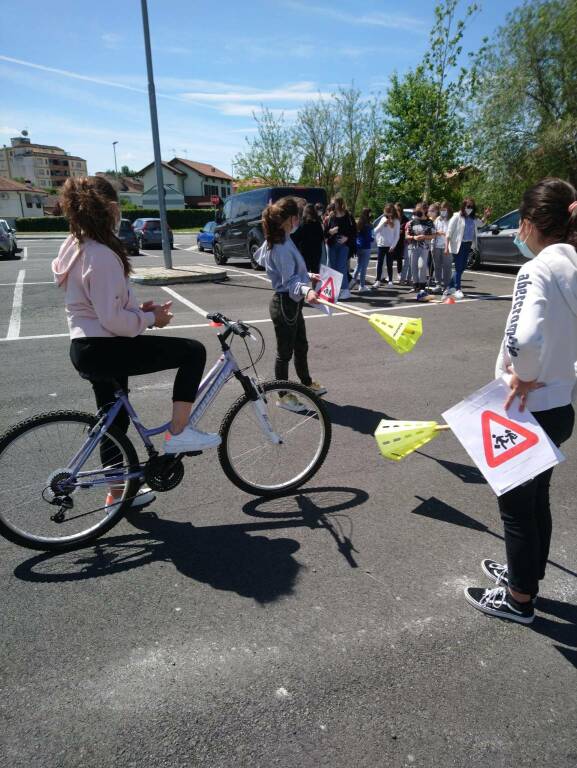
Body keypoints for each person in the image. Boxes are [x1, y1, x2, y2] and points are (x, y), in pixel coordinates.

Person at [52, 176, 220, 511]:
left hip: (88, 347)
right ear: (110, 209)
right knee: (193, 351)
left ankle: (116, 496)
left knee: (112, 423)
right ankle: (179, 432)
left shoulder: (75, 245)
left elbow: (103, 306)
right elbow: (112, 320)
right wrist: (150, 320)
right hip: (105, 346)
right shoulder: (101, 254)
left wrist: (138, 310)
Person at [464, 177, 577, 624]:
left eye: (520, 224)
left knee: (515, 506)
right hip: (560, 406)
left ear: (530, 223)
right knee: (537, 501)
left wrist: (523, 375)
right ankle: (526, 573)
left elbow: (523, 337)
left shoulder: (538, 269)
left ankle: (519, 598)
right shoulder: (574, 263)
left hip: (527, 409)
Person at [255, 196, 326, 411]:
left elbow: (286, 271)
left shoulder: (281, 238)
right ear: (292, 219)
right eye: (299, 217)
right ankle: (284, 396)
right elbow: (288, 281)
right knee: (284, 353)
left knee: (301, 345)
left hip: (290, 303)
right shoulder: (280, 245)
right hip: (285, 303)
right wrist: (306, 289)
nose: (300, 222)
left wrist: (307, 275)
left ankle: (306, 384)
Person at [445, 197, 479, 299]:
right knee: (459, 267)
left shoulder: (473, 218)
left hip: (468, 244)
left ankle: (449, 287)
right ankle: (457, 289)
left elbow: (481, 223)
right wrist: (446, 247)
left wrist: (486, 216)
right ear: (463, 206)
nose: (469, 209)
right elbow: (449, 233)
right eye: (468, 206)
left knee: (463, 267)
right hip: (458, 245)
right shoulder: (456, 216)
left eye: (471, 207)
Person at [324, 196, 356, 300]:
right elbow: (325, 232)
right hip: (332, 244)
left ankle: (345, 290)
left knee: (341, 267)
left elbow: (354, 231)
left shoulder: (348, 216)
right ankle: (332, 291)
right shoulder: (331, 216)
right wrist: (330, 232)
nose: (332, 205)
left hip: (344, 245)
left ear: (339, 203)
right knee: (331, 266)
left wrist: (347, 238)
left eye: (334, 203)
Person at [405, 203, 435, 296]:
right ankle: (415, 286)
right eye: (416, 210)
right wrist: (413, 237)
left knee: (421, 266)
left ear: (425, 210)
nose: (417, 212)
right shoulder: (412, 222)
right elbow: (407, 235)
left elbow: (434, 235)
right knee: (413, 266)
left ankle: (422, 286)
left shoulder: (429, 222)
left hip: (424, 248)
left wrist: (425, 236)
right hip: (413, 247)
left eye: (419, 210)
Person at [373, 204, 400, 288]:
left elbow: (397, 235)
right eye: (386, 212)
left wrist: (393, 245)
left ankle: (390, 281)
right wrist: (383, 223)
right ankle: (378, 280)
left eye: (389, 212)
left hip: (390, 245)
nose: (388, 214)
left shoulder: (396, 221)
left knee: (389, 264)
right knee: (380, 263)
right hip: (381, 244)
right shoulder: (383, 219)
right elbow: (375, 231)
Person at [292, 203, 324, 274]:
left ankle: (304, 285)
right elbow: (322, 237)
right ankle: (315, 285)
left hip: (305, 252)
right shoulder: (318, 224)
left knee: (303, 273)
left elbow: (296, 238)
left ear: (305, 212)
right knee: (315, 273)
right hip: (316, 252)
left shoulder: (303, 224)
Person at [431, 201, 453, 294]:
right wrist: (437, 233)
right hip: (436, 245)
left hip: (447, 246)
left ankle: (447, 286)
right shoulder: (437, 219)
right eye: (441, 210)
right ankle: (438, 285)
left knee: (447, 267)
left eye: (444, 210)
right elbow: (433, 231)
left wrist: (446, 234)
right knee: (437, 266)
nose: (443, 211)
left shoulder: (451, 220)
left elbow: (452, 233)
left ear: (448, 210)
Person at [350, 207, 374, 293]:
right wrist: (372, 239)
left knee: (358, 265)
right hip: (366, 247)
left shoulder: (359, 223)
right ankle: (362, 285)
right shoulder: (368, 225)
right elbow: (369, 238)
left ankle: (352, 281)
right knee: (363, 267)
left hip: (358, 246)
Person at [393, 203, 409, 284]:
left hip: (401, 241)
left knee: (399, 258)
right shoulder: (392, 218)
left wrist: (401, 232)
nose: (397, 211)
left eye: (399, 210)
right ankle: (388, 276)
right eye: (396, 210)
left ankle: (399, 273)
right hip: (392, 241)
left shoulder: (405, 219)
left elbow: (407, 229)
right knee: (390, 258)